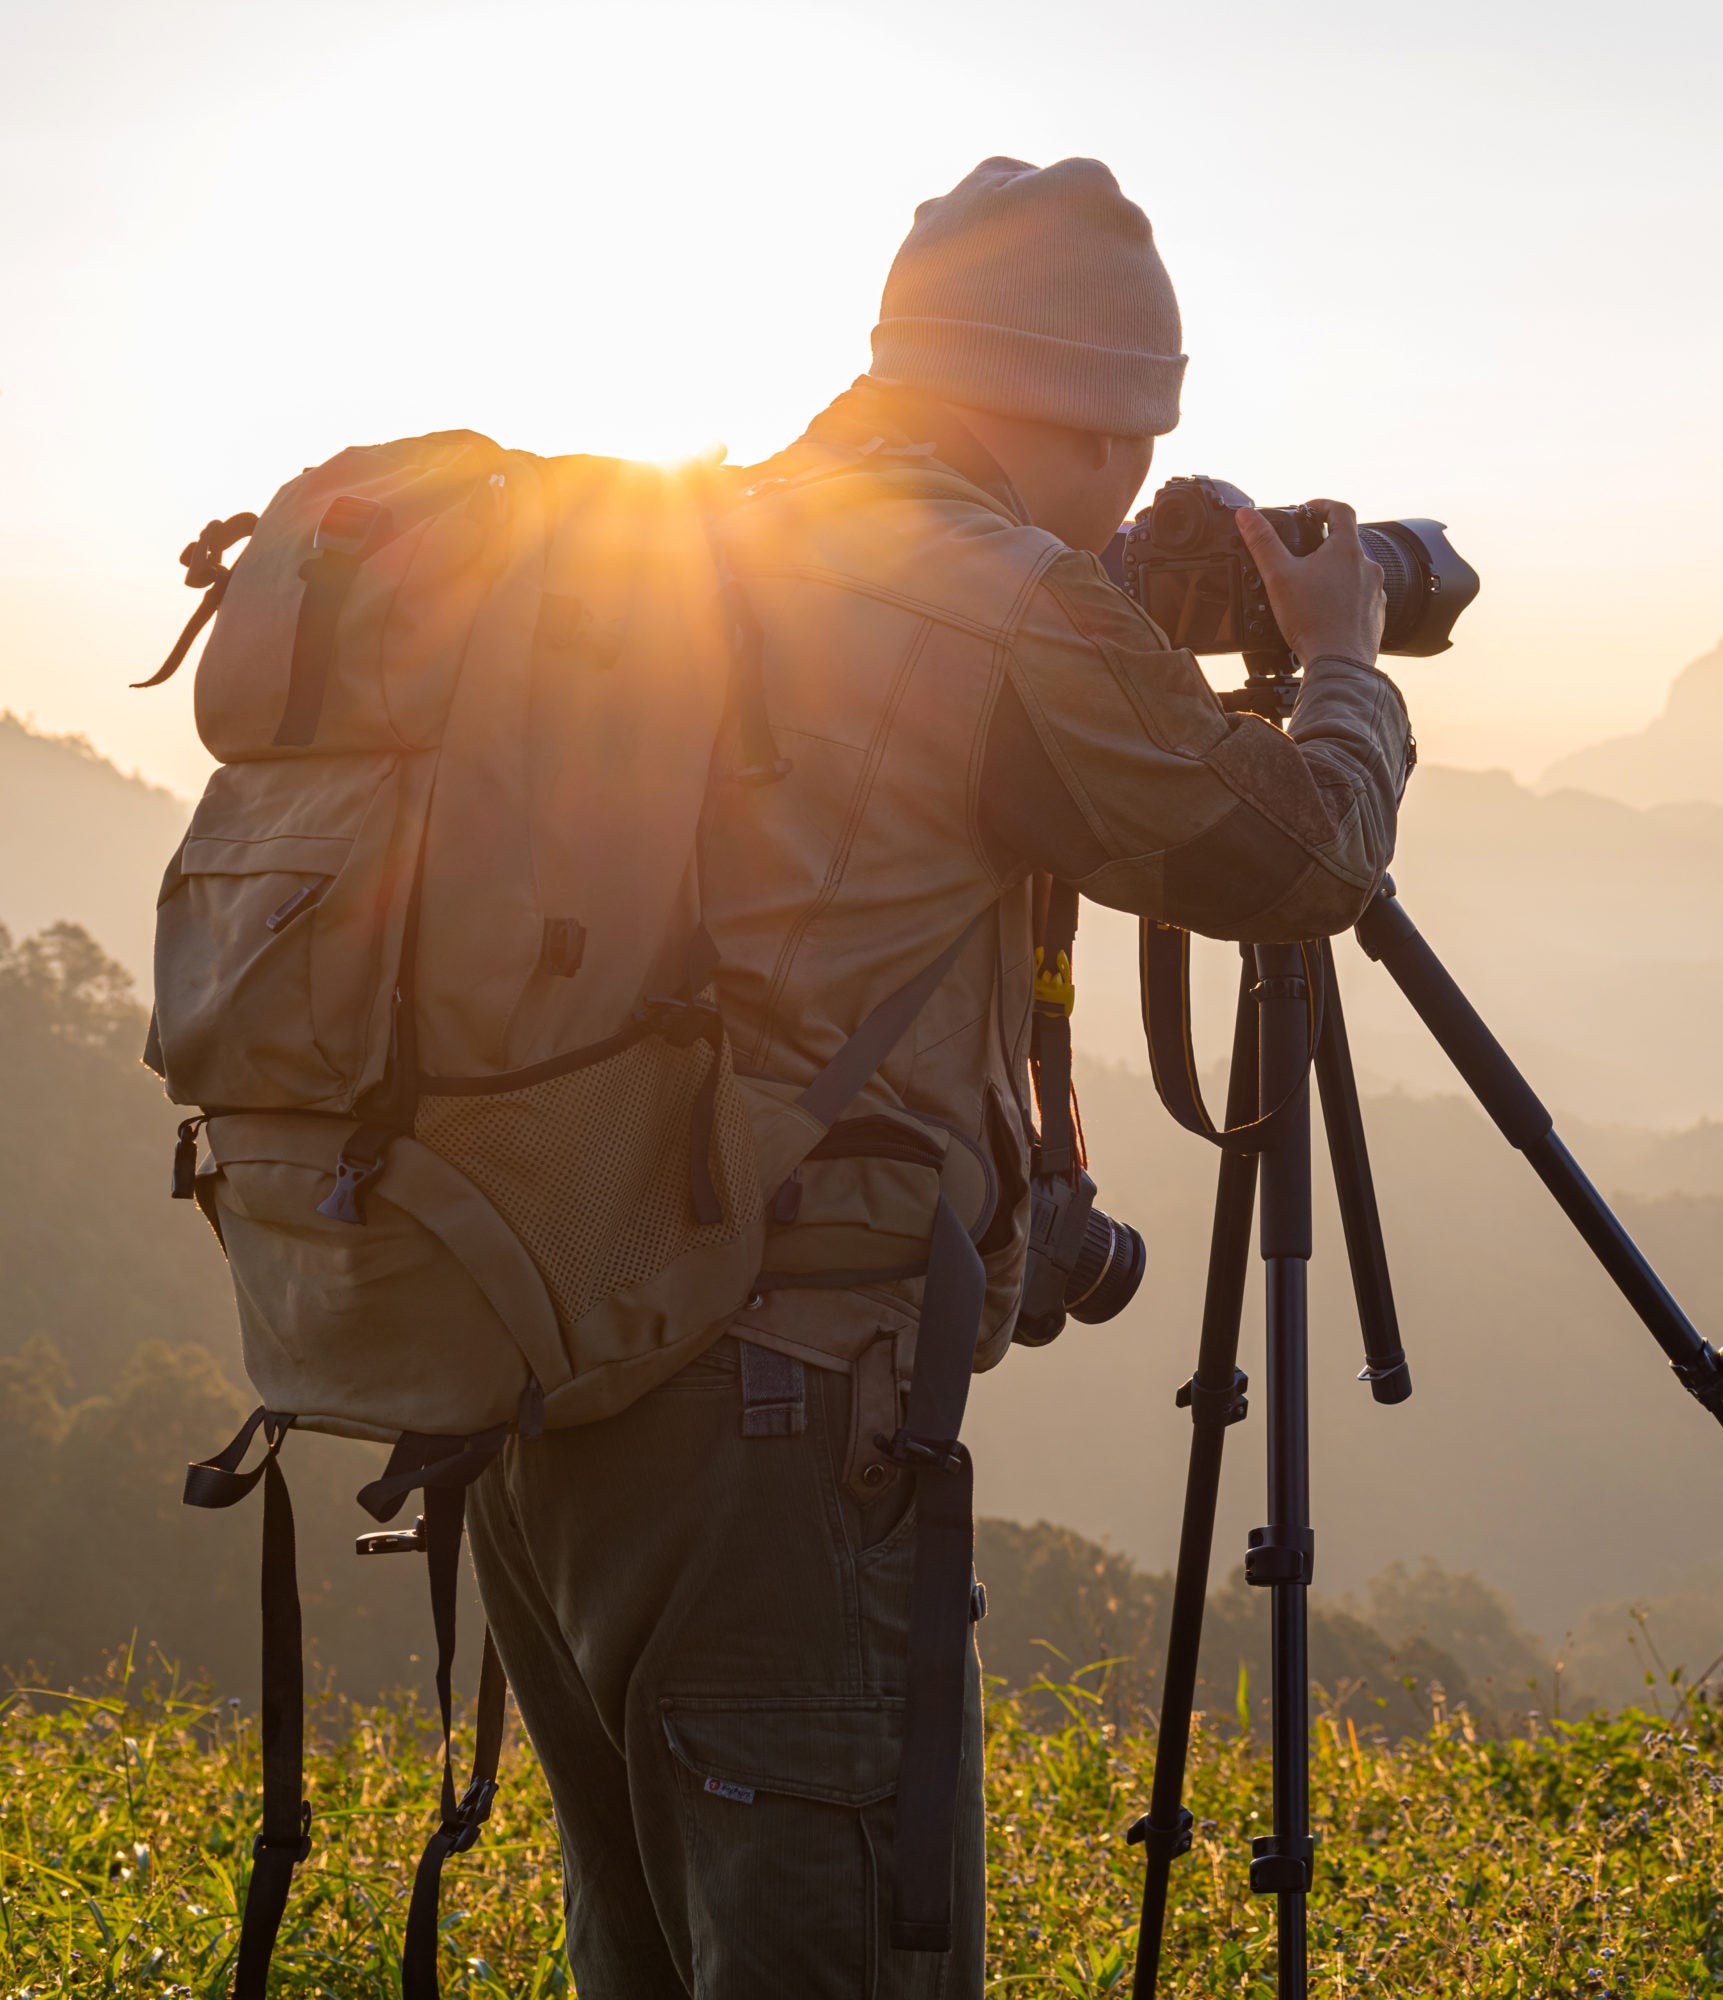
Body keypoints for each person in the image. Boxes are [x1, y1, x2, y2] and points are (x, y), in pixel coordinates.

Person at [463, 155, 1415, 1997]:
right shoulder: (1001, 602)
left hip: (549, 1379)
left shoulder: (718, 529)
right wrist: (1345, 665)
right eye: (1131, 442)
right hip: (779, 1424)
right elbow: (1301, 860)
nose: (1133, 493)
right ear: (1057, 409)